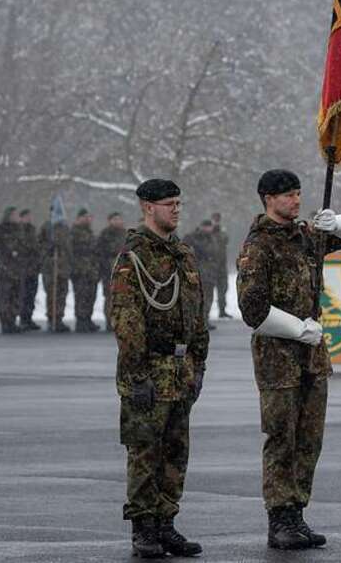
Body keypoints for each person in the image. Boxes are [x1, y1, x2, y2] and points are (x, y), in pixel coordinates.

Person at [236, 169, 341, 550]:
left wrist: (339, 222)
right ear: (268, 199)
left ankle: (297, 513)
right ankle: (279, 519)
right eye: (288, 195)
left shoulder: (307, 237)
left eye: (298, 194)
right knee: (282, 438)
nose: (296, 201)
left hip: (312, 357)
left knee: (309, 439)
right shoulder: (258, 246)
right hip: (278, 357)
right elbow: (252, 309)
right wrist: (297, 329)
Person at [109, 179, 208, 558]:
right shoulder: (133, 256)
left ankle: (166, 523)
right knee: (144, 453)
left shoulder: (183, 253)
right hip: (149, 368)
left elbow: (196, 314)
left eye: (178, 203)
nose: (176, 209)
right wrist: (137, 376)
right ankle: (144, 529)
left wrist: (199, 364)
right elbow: (126, 319)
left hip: (180, 369)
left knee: (175, 453)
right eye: (169, 204)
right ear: (147, 207)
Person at [0, 207, 24, 334]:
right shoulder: (2, 228)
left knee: (15, 295)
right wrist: (3, 228)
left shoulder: (19, 230)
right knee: (4, 296)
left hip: (16, 267)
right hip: (4, 267)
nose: (16, 217)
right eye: (14, 215)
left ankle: (12, 321)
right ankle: (5, 323)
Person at [38, 210, 72, 332]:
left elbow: (69, 247)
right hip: (51, 267)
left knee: (62, 293)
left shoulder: (65, 228)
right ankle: (52, 319)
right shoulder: (47, 227)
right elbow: (39, 245)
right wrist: (50, 248)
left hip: (63, 267)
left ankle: (59, 318)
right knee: (53, 294)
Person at [182, 220, 219, 329]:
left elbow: (214, 252)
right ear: (202, 227)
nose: (209, 229)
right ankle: (196, 322)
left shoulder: (212, 238)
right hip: (197, 273)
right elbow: (185, 251)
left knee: (208, 298)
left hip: (209, 273)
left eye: (210, 227)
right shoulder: (192, 237)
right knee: (196, 299)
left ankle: (204, 320)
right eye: (207, 227)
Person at [70, 208, 101, 332]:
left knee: (90, 296)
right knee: (81, 296)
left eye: (90, 217)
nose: (89, 219)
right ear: (79, 218)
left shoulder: (89, 232)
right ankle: (81, 321)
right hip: (80, 269)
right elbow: (72, 250)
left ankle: (88, 319)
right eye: (86, 217)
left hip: (91, 270)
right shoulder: (74, 232)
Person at [97, 212, 128, 330]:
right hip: (109, 271)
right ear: (109, 221)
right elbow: (100, 252)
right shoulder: (105, 234)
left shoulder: (125, 234)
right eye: (115, 219)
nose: (118, 221)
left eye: (119, 219)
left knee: (123, 297)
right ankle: (110, 321)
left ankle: (121, 321)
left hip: (123, 271)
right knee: (110, 297)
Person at [17, 209, 43, 331]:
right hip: (23, 268)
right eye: (26, 216)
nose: (29, 218)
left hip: (33, 268)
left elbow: (37, 246)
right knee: (23, 295)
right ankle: (23, 319)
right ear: (21, 218)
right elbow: (22, 246)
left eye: (29, 216)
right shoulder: (18, 230)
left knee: (31, 295)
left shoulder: (32, 230)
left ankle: (29, 318)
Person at [210, 212, 231, 318]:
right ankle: (206, 313)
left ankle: (222, 310)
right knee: (208, 290)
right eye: (215, 219)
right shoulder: (208, 232)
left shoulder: (222, 232)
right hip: (211, 266)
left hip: (222, 265)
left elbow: (226, 240)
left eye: (218, 219)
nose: (216, 221)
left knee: (223, 288)